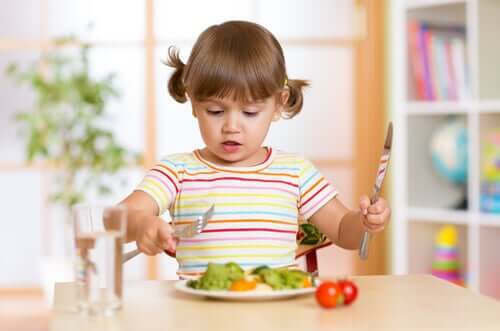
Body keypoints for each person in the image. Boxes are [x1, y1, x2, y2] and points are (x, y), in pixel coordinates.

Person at [119, 20, 391, 277]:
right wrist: (142, 223)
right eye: (215, 111)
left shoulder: (294, 171)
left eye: (249, 112)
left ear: (278, 104)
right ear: (193, 103)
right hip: (201, 315)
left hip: (278, 313)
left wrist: (365, 222)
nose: (231, 126)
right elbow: (115, 219)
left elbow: (344, 231)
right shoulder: (177, 171)